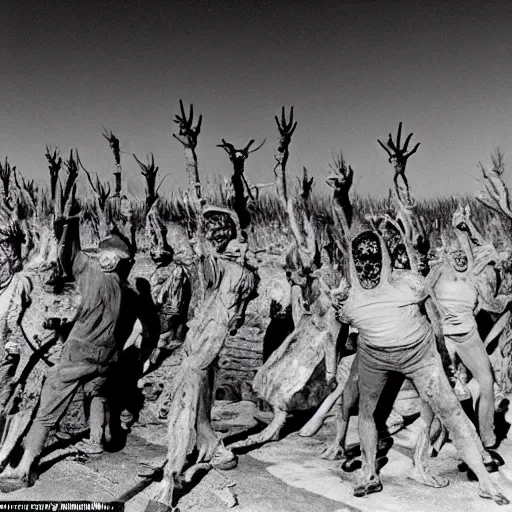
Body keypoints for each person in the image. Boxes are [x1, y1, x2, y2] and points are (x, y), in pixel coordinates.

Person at [332, 228, 508, 505]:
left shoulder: (409, 283)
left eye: (373, 261)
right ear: (354, 264)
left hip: (418, 355)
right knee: (367, 412)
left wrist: (442, 353)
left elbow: (433, 316)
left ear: (384, 260)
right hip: (374, 356)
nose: (368, 269)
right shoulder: (348, 296)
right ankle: (368, 472)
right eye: (361, 262)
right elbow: (341, 326)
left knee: (450, 410)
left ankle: (484, 480)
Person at [0, 201, 158, 490]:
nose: (104, 259)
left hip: (79, 354)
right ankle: (100, 439)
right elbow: (144, 328)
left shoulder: (91, 272)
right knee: (97, 389)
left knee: (48, 406)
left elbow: (69, 252)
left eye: (106, 255)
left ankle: (24, 468)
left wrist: (69, 224)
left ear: (107, 257)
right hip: (108, 357)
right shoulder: (126, 291)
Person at [145, 206, 258, 512]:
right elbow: (195, 260)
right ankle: (212, 446)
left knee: (186, 402)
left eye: (242, 244)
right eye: (237, 243)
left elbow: (202, 261)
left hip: (208, 340)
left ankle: (171, 475)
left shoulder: (231, 270)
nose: (243, 247)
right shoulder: (228, 269)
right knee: (197, 391)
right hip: (200, 333)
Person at [429, 207, 512, 451]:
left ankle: (486, 437)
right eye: (455, 253)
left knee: (486, 382)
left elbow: (491, 304)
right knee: (443, 387)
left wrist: (507, 299)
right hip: (444, 337)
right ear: (447, 254)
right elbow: (421, 296)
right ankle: (438, 436)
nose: (461, 257)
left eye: (464, 253)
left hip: (468, 335)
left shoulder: (475, 275)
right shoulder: (438, 273)